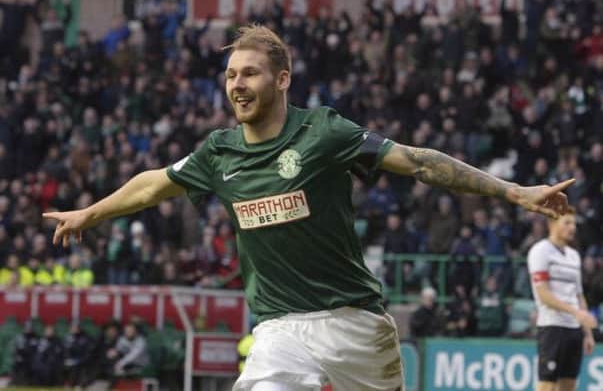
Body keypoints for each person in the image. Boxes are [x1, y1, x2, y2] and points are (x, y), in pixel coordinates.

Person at [44, 25, 574, 391]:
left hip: (355, 324)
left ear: (282, 79)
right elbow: (154, 185)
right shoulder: (219, 152)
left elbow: (417, 162)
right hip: (279, 326)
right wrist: (90, 213)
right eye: (230, 75)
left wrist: (513, 191)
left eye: (249, 73)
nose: (237, 85)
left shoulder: (324, 132)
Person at [527, 207, 597, 391]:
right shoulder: (540, 251)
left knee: (569, 385)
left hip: (574, 330)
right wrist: (576, 313)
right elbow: (543, 293)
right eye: (567, 222)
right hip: (552, 327)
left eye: (574, 223)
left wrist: (587, 333)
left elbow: (578, 295)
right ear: (552, 224)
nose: (572, 227)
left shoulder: (574, 256)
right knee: (547, 386)